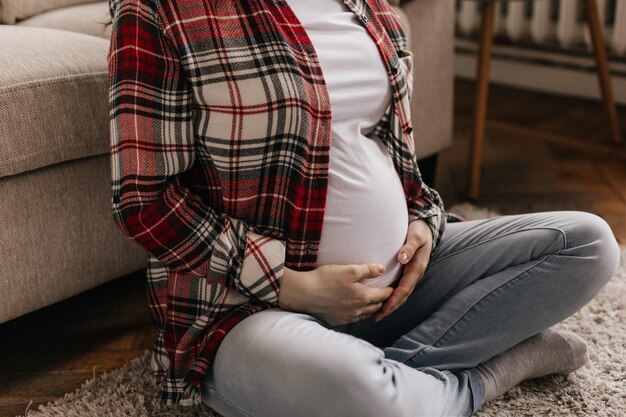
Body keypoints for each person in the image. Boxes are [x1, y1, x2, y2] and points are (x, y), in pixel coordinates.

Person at [107, 0, 621, 415]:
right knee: (363, 395)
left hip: (397, 288)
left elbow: (396, 158)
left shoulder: (369, 10)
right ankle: (497, 369)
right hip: (247, 311)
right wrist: (289, 282)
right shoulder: (157, 11)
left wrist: (423, 222)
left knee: (588, 244)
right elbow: (143, 200)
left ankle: (396, 377)